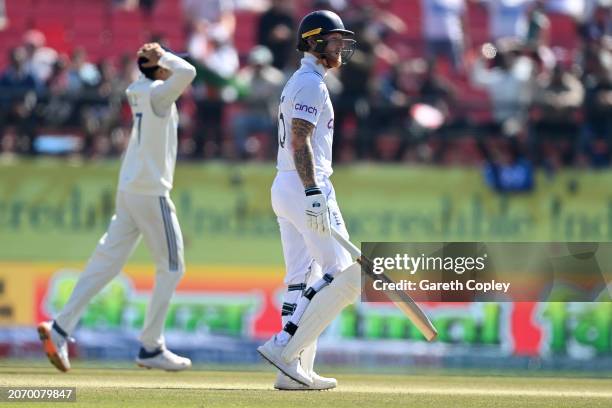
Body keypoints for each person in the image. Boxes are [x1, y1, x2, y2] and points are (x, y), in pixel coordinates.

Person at [37, 43, 196, 372]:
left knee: (105, 264)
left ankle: (60, 328)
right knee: (172, 268)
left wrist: (152, 61)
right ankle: (151, 346)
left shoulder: (138, 89)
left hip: (129, 189)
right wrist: (162, 56)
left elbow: (171, 73)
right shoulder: (156, 94)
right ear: (159, 69)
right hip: (151, 190)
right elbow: (189, 72)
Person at [256, 10, 360, 390]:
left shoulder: (303, 79)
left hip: (288, 185)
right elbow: (300, 140)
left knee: (304, 278)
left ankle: (294, 373)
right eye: (334, 41)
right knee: (344, 275)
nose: (341, 47)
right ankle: (285, 345)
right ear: (314, 42)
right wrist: (314, 190)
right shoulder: (310, 84)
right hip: (305, 185)